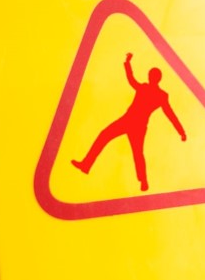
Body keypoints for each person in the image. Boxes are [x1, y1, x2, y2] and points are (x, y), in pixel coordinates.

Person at [71, 53, 187, 192]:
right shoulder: (160, 94)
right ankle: (87, 165)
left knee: (132, 150)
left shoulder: (149, 90)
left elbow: (132, 80)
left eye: (151, 75)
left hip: (133, 122)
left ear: (154, 78)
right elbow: (170, 115)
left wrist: (127, 62)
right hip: (132, 122)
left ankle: (142, 180)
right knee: (111, 139)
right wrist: (181, 132)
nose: (150, 77)